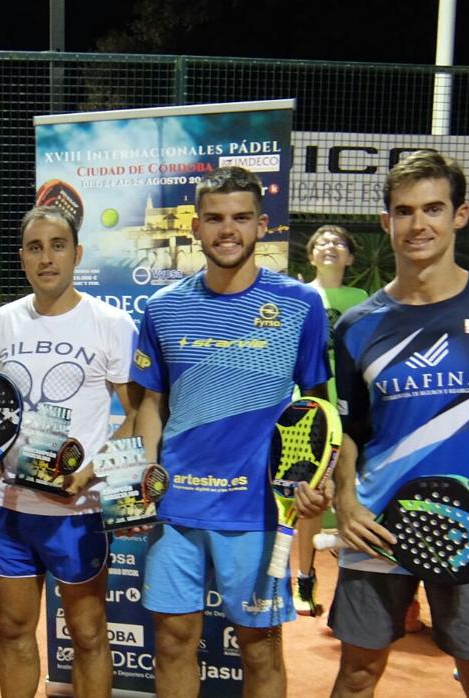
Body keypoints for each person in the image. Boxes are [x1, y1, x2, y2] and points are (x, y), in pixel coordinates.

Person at [327, 150, 469, 698]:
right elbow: (351, 428)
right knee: (356, 673)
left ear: (460, 214)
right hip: (376, 525)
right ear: (386, 222)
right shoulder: (356, 325)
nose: (418, 225)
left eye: (433, 209)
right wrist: (345, 501)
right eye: (404, 211)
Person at [130, 166, 332, 697]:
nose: (228, 230)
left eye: (241, 218)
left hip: (259, 510)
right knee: (172, 640)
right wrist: (147, 472)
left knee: (260, 646)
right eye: (215, 218)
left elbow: (318, 407)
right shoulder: (162, 307)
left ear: (261, 226)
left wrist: (318, 476)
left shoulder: (301, 305)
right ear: (195, 227)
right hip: (176, 507)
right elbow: (150, 403)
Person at [0, 205, 139, 697]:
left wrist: (92, 472)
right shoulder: (3, 321)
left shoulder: (111, 323)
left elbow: (136, 418)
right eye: (35, 247)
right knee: (13, 631)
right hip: (9, 507)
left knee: (89, 635)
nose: (46, 258)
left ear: (78, 254)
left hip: (78, 509)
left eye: (58, 245)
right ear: (23, 258)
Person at [295, 225, 370, 618]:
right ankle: (303, 581)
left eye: (339, 243)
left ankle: (350, 584)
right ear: (310, 256)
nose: (330, 247)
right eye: (321, 242)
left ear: (351, 257)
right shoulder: (299, 295)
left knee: (347, 497)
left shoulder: (363, 300)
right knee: (309, 499)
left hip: (352, 412)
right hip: (309, 412)